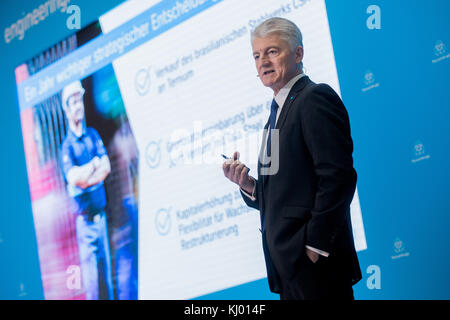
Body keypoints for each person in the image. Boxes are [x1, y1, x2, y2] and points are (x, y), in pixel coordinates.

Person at [222, 17, 361, 300]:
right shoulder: (272, 119)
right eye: (257, 55)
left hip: (316, 268)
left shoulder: (314, 98)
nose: (263, 62)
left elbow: (338, 177)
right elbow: (279, 196)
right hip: (289, 271)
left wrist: (314, 247)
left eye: (273, 51)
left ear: (298, 54)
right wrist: (248, 184)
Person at [60, 80, 114, 300]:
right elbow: (74, 179)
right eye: (72, 102)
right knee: (92, 287)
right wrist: (93, 165)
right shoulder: (67, 146)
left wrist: (87, 175)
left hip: (101, 221)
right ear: (66, 108)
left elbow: (107, 168)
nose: (78, 106)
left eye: (79, 100)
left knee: (107, 284)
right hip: (85, 224)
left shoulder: (93, 135)